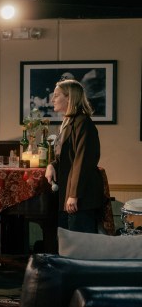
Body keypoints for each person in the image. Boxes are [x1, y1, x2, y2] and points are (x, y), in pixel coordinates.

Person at [45, 79, 103, 233]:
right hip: (68, 195)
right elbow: (65, 157)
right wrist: (52, 165)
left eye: (56, 96)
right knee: (68, 245)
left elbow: (82, 161)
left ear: (69, 98)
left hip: (81, 197)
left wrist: (74, 195)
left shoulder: (83, 123)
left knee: (80, 248)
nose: (52, 99)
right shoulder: (67, 122)